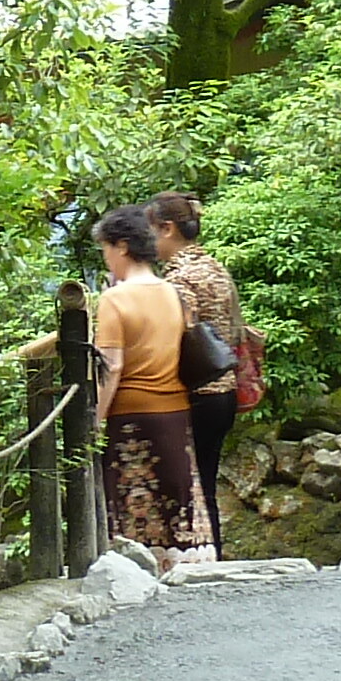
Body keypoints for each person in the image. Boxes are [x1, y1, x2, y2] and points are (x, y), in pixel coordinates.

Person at [87, 208, 209, 555]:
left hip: (130, 415)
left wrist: (95, 419)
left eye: (106, 249)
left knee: (133, 505)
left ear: (122, 247)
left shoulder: (115, 298)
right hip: (175, 410)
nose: (107, 258)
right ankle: (188, 560)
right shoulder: (174, 293)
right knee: (177, 497)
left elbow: (112, 366)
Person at [145, 188, 247, 549]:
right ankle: (211, 554)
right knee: (205, 483)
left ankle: (194, 559)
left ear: (168, 229)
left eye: (150, 231)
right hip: (225, 389)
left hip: (197, 392)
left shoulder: (179, 279)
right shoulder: (214, 268)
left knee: (184, 485)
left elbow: (176, 332)